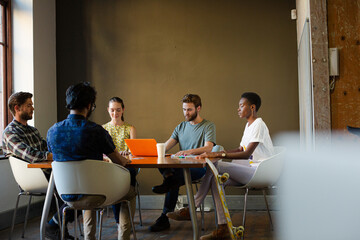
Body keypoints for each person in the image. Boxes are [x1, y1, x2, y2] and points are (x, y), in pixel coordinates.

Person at [167, 92, 275, 240]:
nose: (238, 109)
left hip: (259, 171)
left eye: (241, 106)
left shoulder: (259, 124)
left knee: (215, 165)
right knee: (215, 179)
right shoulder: (249, 125)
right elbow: (240, 149)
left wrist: (217, 155)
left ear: (252, 107)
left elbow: (246, 153)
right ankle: (223, 227)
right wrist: (217, 154)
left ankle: (192, 209)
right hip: (248, 170)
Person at [47, 82, 131, 240]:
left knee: (89, 186)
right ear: (90, 105)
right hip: (97, 194)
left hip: (66, 195)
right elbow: (119, 162)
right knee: (131, 190)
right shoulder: (97, 131)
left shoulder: (52, 131)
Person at [1, 92, 76, 240]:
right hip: (31, 179)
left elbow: (48, 148)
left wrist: (61, 151)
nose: (33, 108)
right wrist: (55, 155)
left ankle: (55, 226)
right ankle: (55, 228)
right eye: (29, 105)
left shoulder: (33, 130)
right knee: (74, 191)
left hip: (48, 173)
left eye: (32, 105)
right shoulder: (9, 133)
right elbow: (31, 155)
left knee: (79, 189)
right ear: (17, 108)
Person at [149, 94, 216, 232]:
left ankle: (164, 217)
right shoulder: (180, 127)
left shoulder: (208, 126)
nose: (186, 113)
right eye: (184, 109)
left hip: (199, 168)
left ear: (199, 108)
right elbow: (165, 146)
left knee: (173, 177)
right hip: (180, 168)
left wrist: (189, 152)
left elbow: (209, 147)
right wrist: (149, 151)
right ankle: (169, 182)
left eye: (189, 109)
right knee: (165, 165)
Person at [102, 97, 137, 240]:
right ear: (108, 110)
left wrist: (125, 153)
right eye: (112, 110)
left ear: (123, 110)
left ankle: (125, 223)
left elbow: (134, 151)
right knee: (116, 188)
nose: (115, 113)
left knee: (127, 179)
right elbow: (101, 152)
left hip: (127, 166)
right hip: (109, 167)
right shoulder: (103, 129)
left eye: (118, 110)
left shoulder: (130, 128)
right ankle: (120, 223)